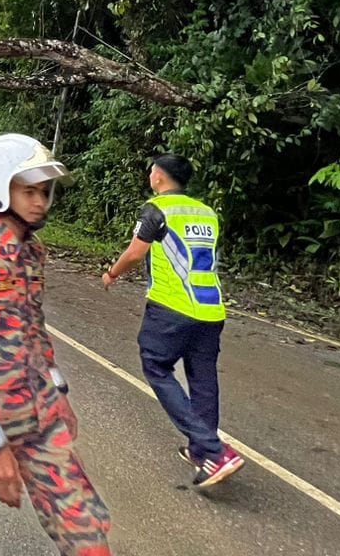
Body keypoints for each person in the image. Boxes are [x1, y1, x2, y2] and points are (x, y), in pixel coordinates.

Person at [0, 134, 111, 556]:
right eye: (29, 191)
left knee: (86, 532)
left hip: (40, 413)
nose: (40, 202)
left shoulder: (34, 251)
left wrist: (59, 390)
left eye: (44, 191)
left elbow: (35, 326)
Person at [102, 154, 245, 489]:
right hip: (211, 309)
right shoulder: (207, 212)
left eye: (152, 171)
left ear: (160, 177)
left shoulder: (157, 208)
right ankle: (203, 453)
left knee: (156, 366)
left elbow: (136, 252)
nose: (150, 176)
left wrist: (111, 274)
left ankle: (214, 450)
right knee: (203, 379)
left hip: (172, 307)